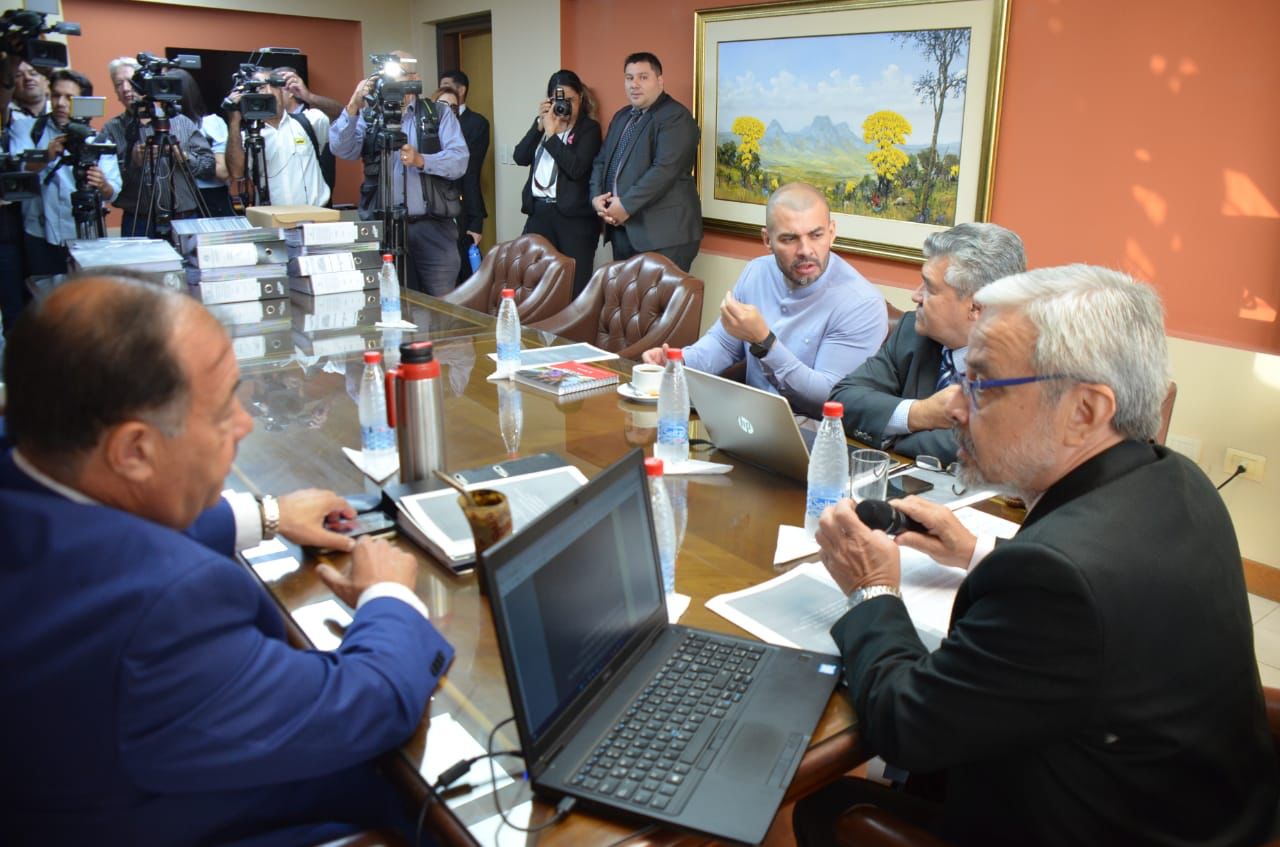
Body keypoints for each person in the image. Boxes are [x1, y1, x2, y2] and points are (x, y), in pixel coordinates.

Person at [796, 265, 1278, 846]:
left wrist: (872, 587)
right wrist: (977, 552)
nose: (953, 408)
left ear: (1084, 411)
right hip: (1205, 806)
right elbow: (1093, 603)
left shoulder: (1057, 579)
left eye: (982, 384)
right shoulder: (1175, 479)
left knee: (826, 803)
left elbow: (904, 727)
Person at [0, 274, 454, 845]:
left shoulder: (29, 467)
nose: (245, 423)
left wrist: (262, 516)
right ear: (134, 450)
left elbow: (96, 533)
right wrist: (390, 597)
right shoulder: (161, 610)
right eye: (221, 413)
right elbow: (371, 703)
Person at [641, 182, 886, 417]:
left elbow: (829, 397)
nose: (805, 250)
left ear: (832, 233)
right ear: (767, 240)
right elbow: (724, 344)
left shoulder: (861, 303)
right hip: (748, 421)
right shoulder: (757, 271)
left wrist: (764, 342)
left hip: (817, 436)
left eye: (816, 235)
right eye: (789, 239)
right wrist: (678, 363)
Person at [829, 222, 1026, 463]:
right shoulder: (913, 332)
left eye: (930, 289)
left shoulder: (1026, 362)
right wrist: (922, 414)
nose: (915, 296)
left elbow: (987, 447)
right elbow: (843, 399)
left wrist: (891, 436)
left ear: (975, 308)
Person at [330, 51, 468, 296]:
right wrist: (353, 105)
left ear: (414, 78)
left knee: (443, 301)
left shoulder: (437, 113)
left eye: (399, 74)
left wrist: (421, 160)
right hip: (384, 226)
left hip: (432, 225)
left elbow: (460, 160)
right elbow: (343, 149)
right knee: (389, 299)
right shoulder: (370, 116)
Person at [590, 51, 701, 271]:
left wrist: (626, 205)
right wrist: (596, 198)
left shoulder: (676, 117)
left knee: (661, 305)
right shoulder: (622, 116)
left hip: (665, 236)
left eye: (643, 77)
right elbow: (601, 161)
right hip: (622, 229)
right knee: (627, 303)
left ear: (659, 80)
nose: (634, 84)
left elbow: (664, 171)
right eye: (629, 78)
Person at [9, 69, 121, 275]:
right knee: (43, 295)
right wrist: (45, 157)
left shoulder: (98, 141)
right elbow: (18, 171)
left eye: (70, 98)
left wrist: (102, 184)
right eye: (56, 95)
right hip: (39, 233)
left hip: (86, 233)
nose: (60, 103)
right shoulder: (26, 129)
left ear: (84, 102)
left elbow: (113, 191)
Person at [100, 57, 215, 237]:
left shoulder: (180, 122)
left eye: (130, 82)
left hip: (185, 219)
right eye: (118, 84)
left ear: (145, 84)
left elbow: (209, 167)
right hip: (139, 221)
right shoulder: (112, 129)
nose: (125, 89)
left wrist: (183, 157)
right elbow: (108, 183)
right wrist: (133, 163)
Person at [513, 69, 602, 297]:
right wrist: (540, 126)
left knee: (573, 287)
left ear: (581, 98)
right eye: (558, 100)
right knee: (532, 282)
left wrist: (553, 137)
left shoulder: (589, 130)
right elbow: (520, 157)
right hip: (539, 213)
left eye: (570, 100)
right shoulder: (545, 124)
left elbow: (576, 169)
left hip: (573, 220)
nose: (565, 106)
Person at [225, 67, 329, 208]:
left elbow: (347, 118)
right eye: (260, 87)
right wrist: (234, 121)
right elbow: (236, 174)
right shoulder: (249, 136)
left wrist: (309, 97)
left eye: (273, 85)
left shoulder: (309, 121)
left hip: (315, 217)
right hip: (272, 220)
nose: (268, 92)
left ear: (282, 91)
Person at [439, 69, 490, 284]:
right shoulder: (428, 126)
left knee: (464, 273)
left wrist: (476, 220)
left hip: (460, 206)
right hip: (432, 211)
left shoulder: (476, 123)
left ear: (462, 90)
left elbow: (471, 173)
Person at [172, 68, 232, 217]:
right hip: (174, 199)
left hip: (209, 197)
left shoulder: (210, 123)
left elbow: (222, 171)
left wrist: (184, 157)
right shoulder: (161, 126)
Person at [275, 66, 340, 202]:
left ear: (290, 90)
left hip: (317, 209)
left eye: (276, 88)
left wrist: (308, 97)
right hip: (277, 211)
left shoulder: (314, 118)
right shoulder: (264, 127)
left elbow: (344, 115)